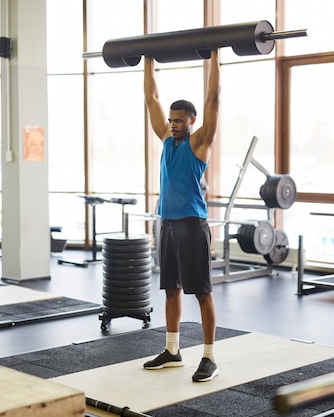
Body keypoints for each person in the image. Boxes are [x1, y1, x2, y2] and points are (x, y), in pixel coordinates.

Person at [142, 50, 220, 382]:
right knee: (171, 289)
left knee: (201, 291)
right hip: (168, 224)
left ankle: (209, 357)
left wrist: (214, 56)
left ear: (192, 120)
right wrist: (147, 60)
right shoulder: (166, 140)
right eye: (171, 120)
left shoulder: (199, 142)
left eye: (179, 120)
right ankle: (173, 351)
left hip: (191, 224)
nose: (173, 125)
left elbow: (213, 99)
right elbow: (151, 98)